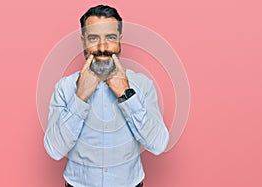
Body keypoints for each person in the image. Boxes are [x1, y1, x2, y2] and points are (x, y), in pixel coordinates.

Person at [44, 4, 169, 187]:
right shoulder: (64, 88)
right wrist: (80, 97)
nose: (102, 47)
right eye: (94, 38)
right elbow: (54, 150)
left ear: (120, 39)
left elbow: (158, 145)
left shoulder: (142, 85)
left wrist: (127, 95)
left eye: (110, 37)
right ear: (83, 41)